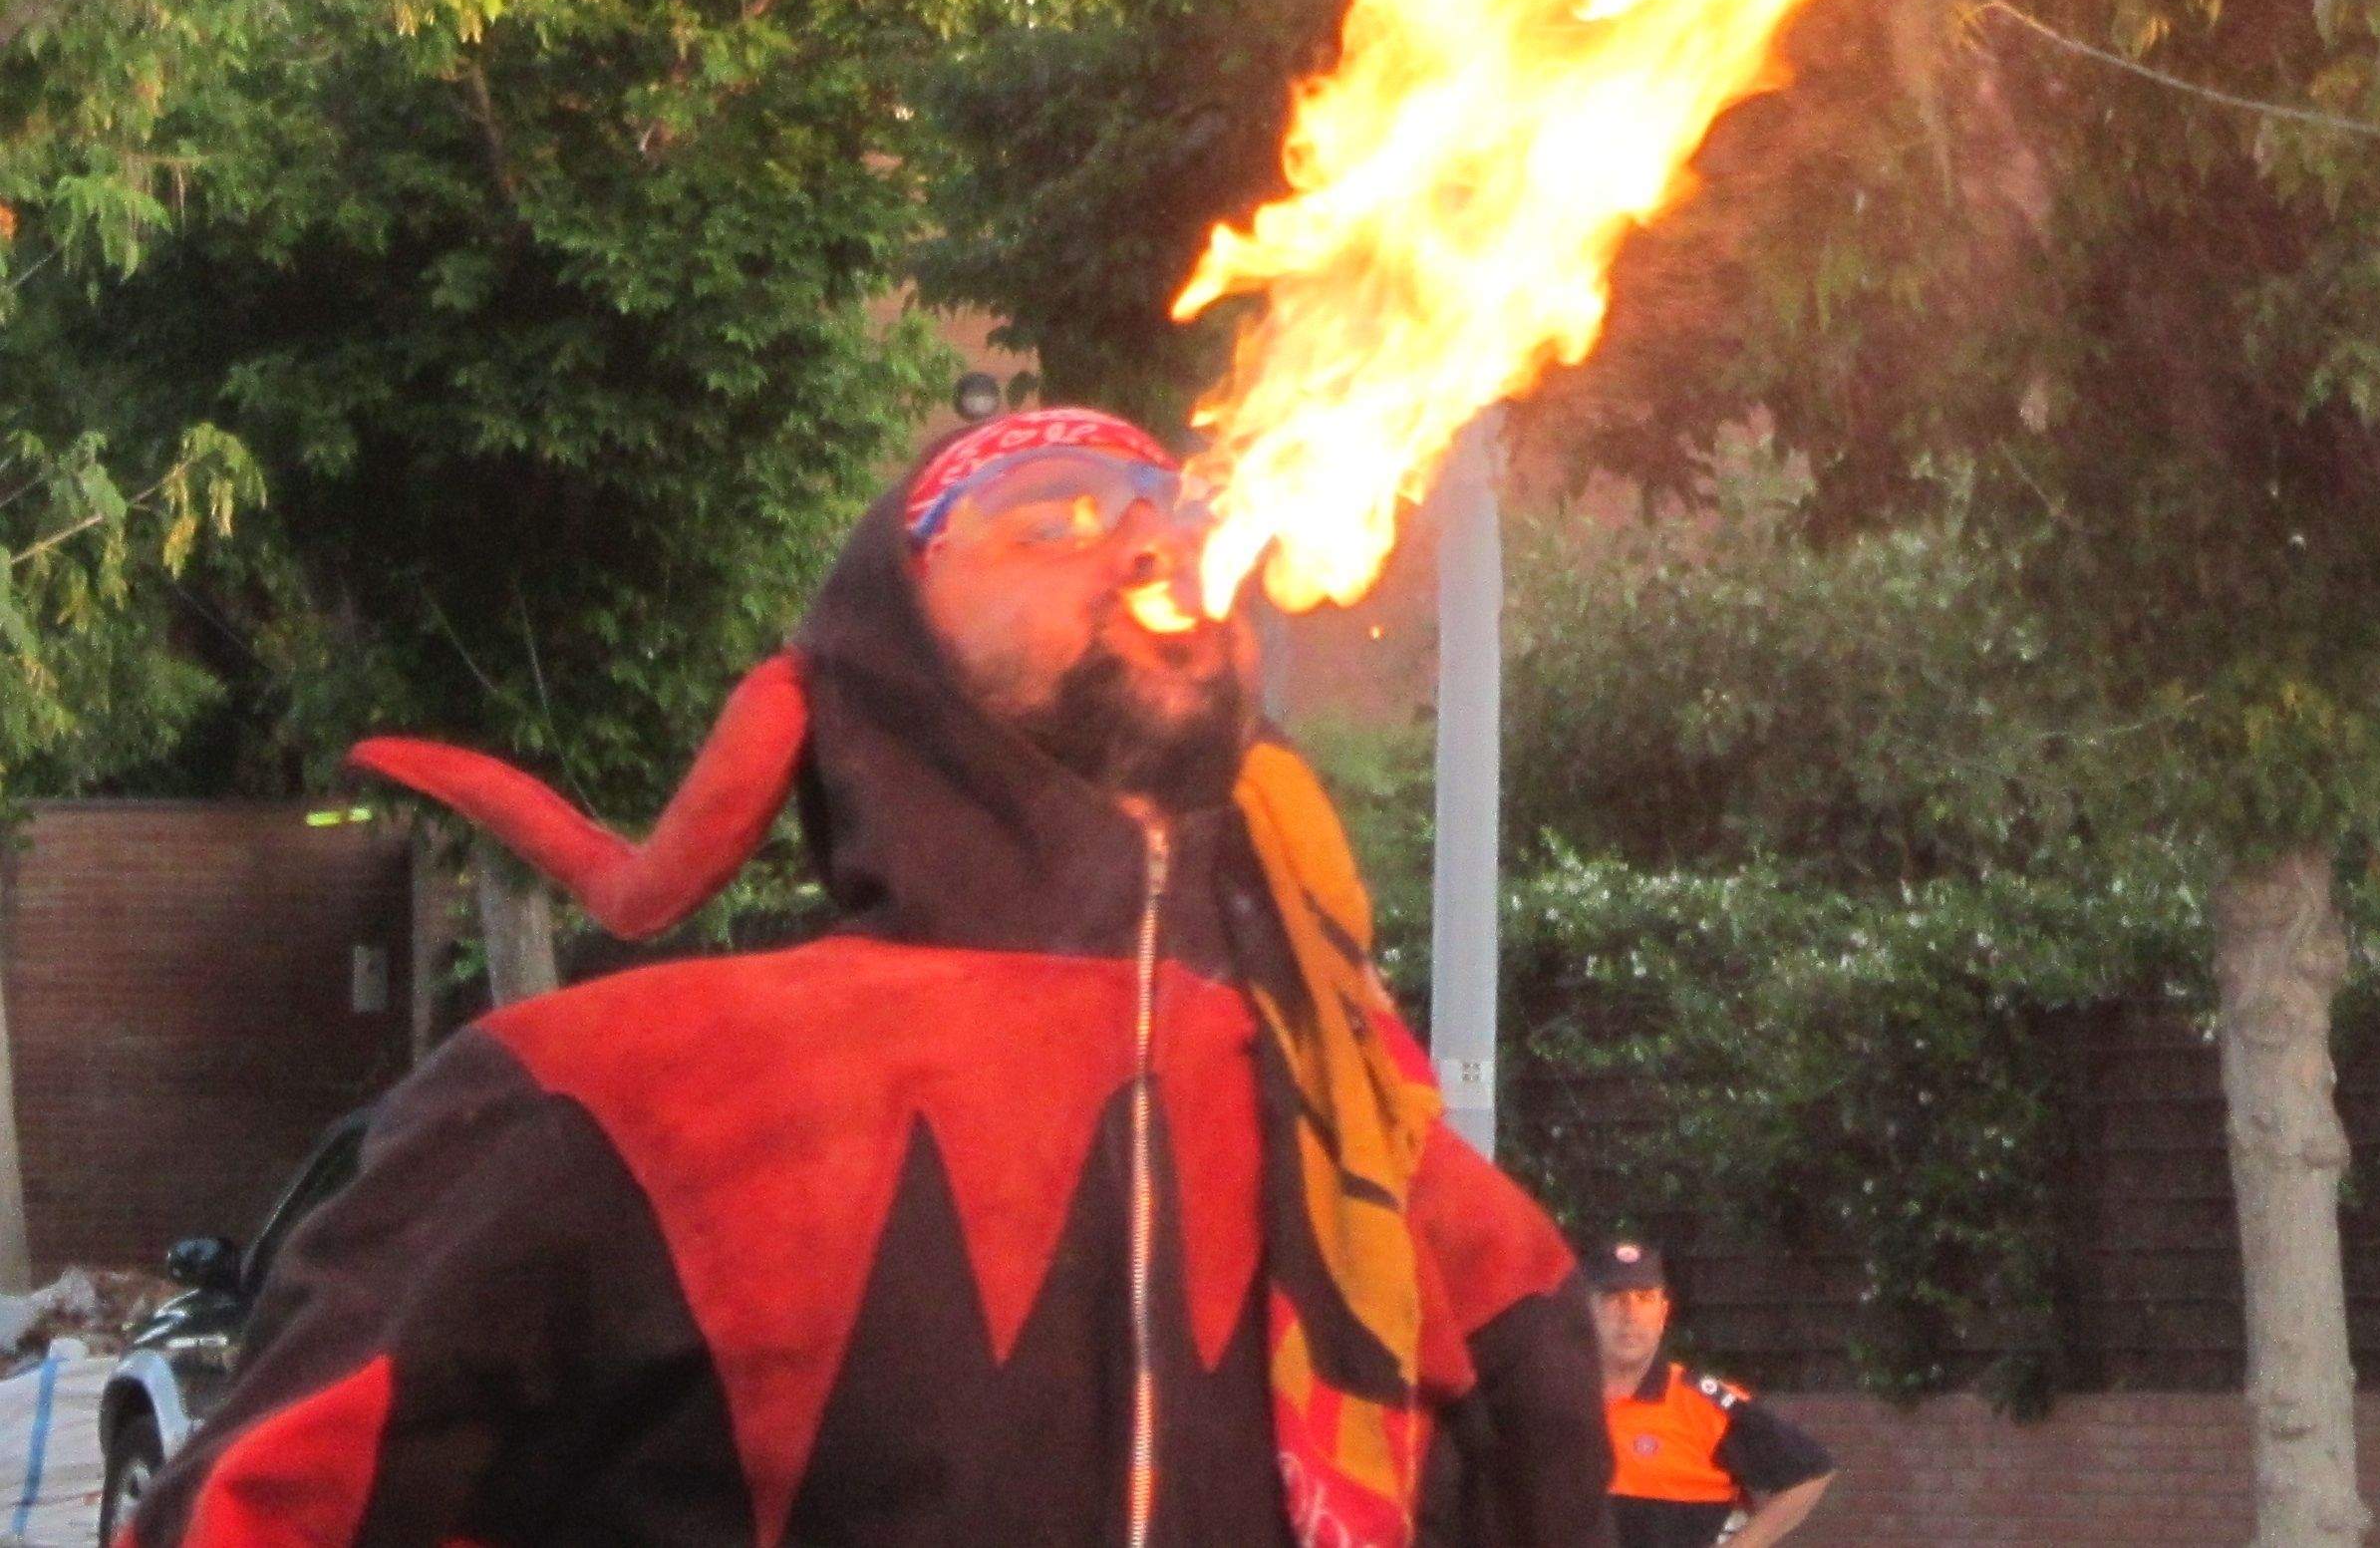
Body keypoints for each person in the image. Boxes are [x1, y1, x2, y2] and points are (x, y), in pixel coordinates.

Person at [132, 408, 1614, 1548]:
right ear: (879, 646)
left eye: (1166, 511)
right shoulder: (613, 1097)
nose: (1150, 545)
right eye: (1054, 524)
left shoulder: (1373, 1142)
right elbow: (262, 1511)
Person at [1587, 1242, 1833, 1548]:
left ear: (1663, 1313)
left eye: (1644, 1298)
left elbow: (1810, 1472)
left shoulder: (1704, 1406)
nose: (1630, 1314)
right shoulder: (1548, 1400)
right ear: (1584, 1313)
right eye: (1614, 1298)